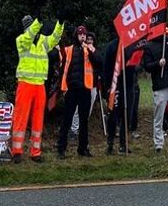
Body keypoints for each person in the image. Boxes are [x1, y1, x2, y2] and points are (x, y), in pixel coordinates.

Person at [12, 16, 64, 163]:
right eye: (30, 27)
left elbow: (55, 38)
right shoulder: (22, 40)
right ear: (26, 29)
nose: (32, 29)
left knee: (38, 119)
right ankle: (17, 151)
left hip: (40, 85)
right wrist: (38, 22)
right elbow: (30, 35)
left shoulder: (42, 41)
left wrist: (60, 24)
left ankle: (35, 152)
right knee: (20, 118)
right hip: (25, 84)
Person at [57, 25, 102, 158]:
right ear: (76, 36)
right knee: (67, 120)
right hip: (71, 89)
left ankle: (83, 148)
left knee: (84, 121)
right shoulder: (69, 49)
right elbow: (62, 69)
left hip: (85, 89)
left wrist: (91, 50)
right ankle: (61, 148)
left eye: (84, 35)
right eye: (80, 34)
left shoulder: (89, 49)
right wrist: (63, 88)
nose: (82, 36)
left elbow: (99, 62)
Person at [103, 35, 135, 155]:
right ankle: (110, 144)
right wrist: (108, 87)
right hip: (115, 86)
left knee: (127, 115)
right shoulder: (111, 46)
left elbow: (135, 64)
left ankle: (123, 144)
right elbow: (106, 68)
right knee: (113, 115)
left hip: (128, 85)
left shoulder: (131, 45)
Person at [70, 31, 100, 139]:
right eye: (88, 39)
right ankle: (74, 130)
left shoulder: (96, 52)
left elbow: (99, 63)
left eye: (91, 40)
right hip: (82, 85)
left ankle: (82, 130)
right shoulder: (81, 51)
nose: (89, 41)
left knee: (88, 110)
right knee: (77, 109)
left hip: (93, 85)